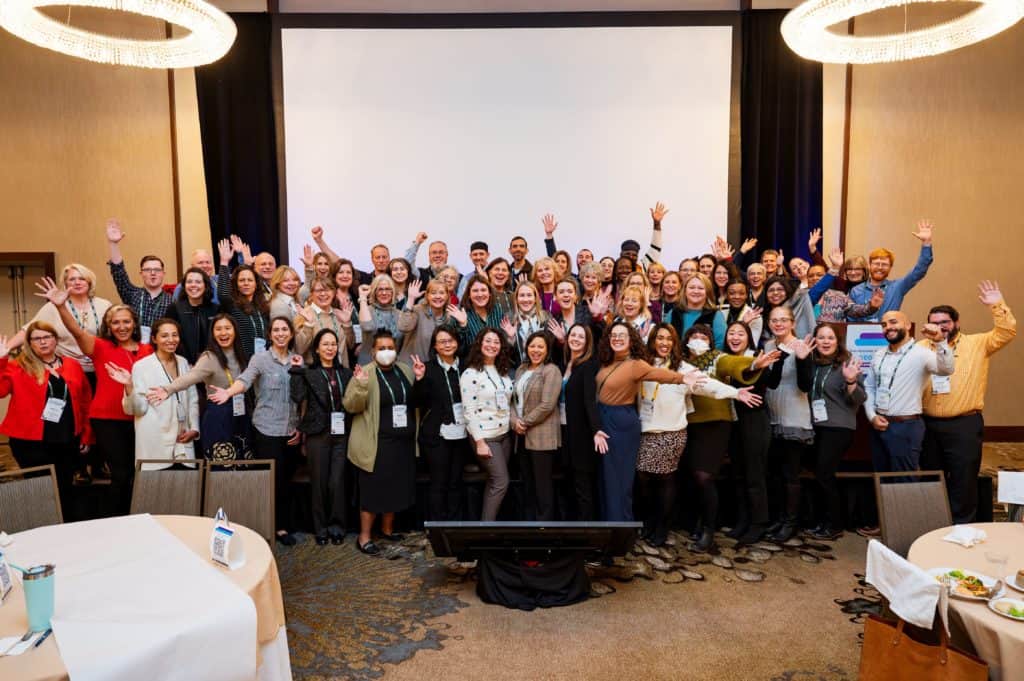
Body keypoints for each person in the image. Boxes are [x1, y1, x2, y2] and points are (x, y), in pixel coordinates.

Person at [37, 277, 154, 514]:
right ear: (108, 327)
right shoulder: (100, 347)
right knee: (120, 473)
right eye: (115, 323)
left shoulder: (147, 350)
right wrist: (60, 307)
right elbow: (76, 332)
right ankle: (115, 520)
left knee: (137, 472)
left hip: (140, 419)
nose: (121, 327)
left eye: (126, 322)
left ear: (134, 324)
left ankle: (137, 516)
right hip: (108, 420)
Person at [638, 323, 760, 546]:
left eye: (669, 339)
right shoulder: (642, 365)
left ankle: (662, 528)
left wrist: (735, 392)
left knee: (665, 479)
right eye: (660, 338)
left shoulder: (683, 367)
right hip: (645, 431)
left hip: (671, 432)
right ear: (652, 340)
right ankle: (650, 521)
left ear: (675, 344)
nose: (664, 343)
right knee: (645, 480)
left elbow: (709, 386)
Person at [921, 281, 1016, 524]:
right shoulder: (921, 347)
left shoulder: (978, 343)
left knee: (964, 480)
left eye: (945, 322)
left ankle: (962, 528)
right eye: (935, 322)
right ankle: (933, 526)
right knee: (931, 477)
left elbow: (1007, 332)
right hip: (928, 424)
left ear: (956, 323)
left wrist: (997, 304)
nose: (941, 327)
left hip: (964, 424)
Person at [207, 316, 302, 545]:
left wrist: (300, 427)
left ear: (290, 334)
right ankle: (273, 527)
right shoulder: (260, 359)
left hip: (290, 430)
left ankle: (283, 523)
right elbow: (245, 380)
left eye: (284, 330)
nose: (280, 334)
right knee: (271, 481)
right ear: (270, 334)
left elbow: (301, 398)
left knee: (287, 480)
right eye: (276, 330)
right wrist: (229, 392)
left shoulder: (297, 361)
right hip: (266, 430)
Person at [682, 324, 774, 551]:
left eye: (704, 337)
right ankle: (697, 521)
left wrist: (753, 364)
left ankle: (709, 530)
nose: (699, 340)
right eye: (694, 336)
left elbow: (733, 364)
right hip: (687, 424)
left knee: (705, 477)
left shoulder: (718, 358)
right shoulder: (681, 362)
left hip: (715, 425)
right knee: (692, 477)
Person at [594, 322, 688, 522]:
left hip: (621, 422)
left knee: (619, 478)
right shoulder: (606, 362)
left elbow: (660, 375)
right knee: (606, 478)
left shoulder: (636, 364)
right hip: (603, 419)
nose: (617, 338)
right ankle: (608, 524)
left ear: (631, 340)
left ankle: (620, 528)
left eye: (622, 335)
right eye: (613, 335)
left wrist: (684, 378)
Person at [0, 323, 92, 510]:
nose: (42, 342)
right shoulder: (18, 366)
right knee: (39, 488)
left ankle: (64, 527)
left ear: (56, 340)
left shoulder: (72, 365)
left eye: (47, 337)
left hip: (67, 438)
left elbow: (85, 401)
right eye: (36, 338)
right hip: (30, 441)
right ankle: (41, 526)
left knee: (65, 485)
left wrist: (86, 434)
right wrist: (1, 361)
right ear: (29, 343)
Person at [343, 330, 417, 555]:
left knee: (395, 487)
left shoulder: (405, 371)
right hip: (376, 443)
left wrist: (420, 379)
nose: (387, 352)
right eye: (381, 348)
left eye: (390, 348)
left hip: (402, 444)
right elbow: (351, 405)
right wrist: (361, 385)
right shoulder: (364, 372)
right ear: (373, 352)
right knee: (373, 491)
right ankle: (364, 537)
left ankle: (387, 529)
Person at [150, 314, 253, 461]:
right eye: (218, 329)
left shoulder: (241, 354)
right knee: (223, 463)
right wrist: (169, 389)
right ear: (213, 333)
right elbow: (191, 377)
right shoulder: (209, 357)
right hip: (219, 416)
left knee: (243, 461)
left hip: (240, 413)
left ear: (235, 331)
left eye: (227, 328)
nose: (223, 333)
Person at [864, 311, 953, 473]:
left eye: (893, 322)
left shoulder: (922, 353)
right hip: (879, 425)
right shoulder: (879, 355)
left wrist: (940, 342)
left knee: (904, 480)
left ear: (907, 325)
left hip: (906, 427)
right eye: (884, 325)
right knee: (880, 478)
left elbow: (946, 370)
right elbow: (869, 387)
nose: (888, 328)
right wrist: (871, 416)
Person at [108, 318, 200, 470]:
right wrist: (129, 386)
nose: (171, 340)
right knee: (155, 490)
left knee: (185, 490)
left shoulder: (183, 362)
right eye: (164, 336)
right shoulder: (142, 367)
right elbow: (137, 410)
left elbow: (192, 399)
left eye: (174, 335)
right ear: (154, 339)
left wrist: (194, 429)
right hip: (155, 442)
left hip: (182, 441)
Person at [290, 328, 353, 546]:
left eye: (333, 344)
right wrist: (296, 371)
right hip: (318, 433)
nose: (330, 348)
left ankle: (338, 526)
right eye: (325, 344)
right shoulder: (309, 372)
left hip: (342, 433)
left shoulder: (346, 373)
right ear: (317, 348)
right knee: (318, 482)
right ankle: (321, 528)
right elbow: (297, 397)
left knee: (337, 481)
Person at [722, 321, 782, 545]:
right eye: (731, 333)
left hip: (754, 422)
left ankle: (759, 523)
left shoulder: (756, 358)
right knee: (738, 474)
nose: (735, 337)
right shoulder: (725, 359)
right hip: (733, 423)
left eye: (740, 333)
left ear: (748, 337)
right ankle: (743, 520)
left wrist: (756, 366)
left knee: (755, 475)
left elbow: (764, 383)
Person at [807, 322, 865, 540]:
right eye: (821, 337)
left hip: (838, 428)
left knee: (824, 475)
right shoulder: (813, 364)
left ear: (837, 341)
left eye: (830, 338)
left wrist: (851, 381)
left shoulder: (847, 364)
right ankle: (822, 521)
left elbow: (860, 398)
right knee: (820, 476)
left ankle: (835, 525)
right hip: (816, 427)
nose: (825, 342)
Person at [762, 306, 815, 542]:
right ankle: (778, 519)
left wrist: (802, 360)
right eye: (774, 320)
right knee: (773, 474)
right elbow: (770, 383)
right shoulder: (767, 347)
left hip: (794, 417)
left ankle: (790, 522)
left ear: (792, 323)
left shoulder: (801, 346)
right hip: (772, 415)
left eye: (784, 320)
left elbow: (805, 386)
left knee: (790, 474)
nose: (779, 323)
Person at [9, 263, 112, 377]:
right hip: (68, 369)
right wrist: (5, 349)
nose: (77, 283)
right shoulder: (54, 307)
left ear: (89, 281)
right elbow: (28, 330)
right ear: (65, 284)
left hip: (100, 367)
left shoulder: (104, 305)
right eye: (72, 279)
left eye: (82, 278)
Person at [410, 327, 468, 521]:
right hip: (437, 435)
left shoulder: (467, 367)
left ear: (457, 342)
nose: (447, 344)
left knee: (456, 481)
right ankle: (437, 526)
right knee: (439, 482)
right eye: (442, 341)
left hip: (463, 433)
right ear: (435, 346)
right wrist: (419, 379)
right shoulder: (428, 367)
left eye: (450, 340)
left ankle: (455, 525)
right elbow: (416, 403)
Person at [460, 327, 516, 521]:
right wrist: (480, 442)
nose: (492, 345)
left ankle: (488, 524)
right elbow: (469, 411)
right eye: (488, 341)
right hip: (485, 438)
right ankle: (485, 529)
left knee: (494, 482)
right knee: (501, 482)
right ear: (479, 344)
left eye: (496, 342)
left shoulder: (503, 371)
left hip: (505, 436)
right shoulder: (470, 373)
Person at [512, 331, 562, 521]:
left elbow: (547, 404)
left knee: (543, 486)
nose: (536, 350)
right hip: (521, 435)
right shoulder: (521, 369)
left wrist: (523, 422)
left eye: (541, 346)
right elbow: (513, 400)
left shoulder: (551, 370)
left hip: (541, 436)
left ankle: (544, 525)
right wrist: (514, 421)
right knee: (528, 483)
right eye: (532, 346)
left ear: (547, 349)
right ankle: (529, 524)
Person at [561, 323, 606, 520]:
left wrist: (596, 429)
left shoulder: (589, 366)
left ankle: (589, 531)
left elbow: (590, 399)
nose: (576, 339)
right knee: (570, 483)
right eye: (573, 335)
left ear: (588, 342)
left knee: (583, 487)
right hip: (566, 432)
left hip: (582, 434)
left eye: (581, 337)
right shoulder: (566, 364)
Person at [848, 220, 935, 321]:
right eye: (876, 264)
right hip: (860, 334)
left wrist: (926, 243)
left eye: (884, 264)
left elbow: (919, 271)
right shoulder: (856, 290)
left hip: (888, 333)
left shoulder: (897, 287)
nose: (880, 267)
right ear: (869, 265)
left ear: (890, 267)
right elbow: (850, 317)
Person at [105, 219, 172, 341]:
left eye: (157, 270)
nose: (152, 273)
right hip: (133, 348)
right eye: (147, 270)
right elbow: (119, 273)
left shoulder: (172, 301)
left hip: (159, 350)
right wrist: (113, 244)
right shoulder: (132, 294)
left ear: (163, 274)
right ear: (141, 274)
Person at [216, 239, 270, 356]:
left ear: (256, 284)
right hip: (242, 359)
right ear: (236, 284)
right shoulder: (233, 304)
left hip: (263, 359)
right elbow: (223, 293)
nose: (246, 283)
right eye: (241, 280)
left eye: (250, 280)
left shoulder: (263, 305)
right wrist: (224, 262)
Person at [293, 277, 356, 363]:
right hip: (317, 373)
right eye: (318, 290)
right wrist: (308, 325)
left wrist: (347, 324)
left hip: (341, 372)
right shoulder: (304, 315)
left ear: (334, 293)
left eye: (327, 290)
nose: (323, 294)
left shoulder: (339, 314)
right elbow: (299, 349)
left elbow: (351, 345)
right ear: (311, 294)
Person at [165, 268, 219, 365]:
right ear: (184, 286)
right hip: (182, 365)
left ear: (205, 285)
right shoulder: (174, 309)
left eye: (198, 282)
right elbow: (168, 338)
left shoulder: (215, 309)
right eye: (189, 282)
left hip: (211, 365)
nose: (193, 285)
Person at [397, 279, 456, 363]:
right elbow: (403, 327)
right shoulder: (417, 310)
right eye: (433, 293)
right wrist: (410, 299)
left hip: (433, 369)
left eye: (442, 293)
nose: (438, 296)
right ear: (427, 296)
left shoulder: (449, 317)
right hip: (410, 366)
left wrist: (463, 324)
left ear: (447, 296)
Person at [356, 275, 404, 365]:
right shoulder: (367, 310)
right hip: (368, 364)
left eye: (388, 289)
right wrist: (362, 298)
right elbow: (367, 327)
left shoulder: (400, 314)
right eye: (380, 289)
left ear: (393, 292)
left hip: (393, 364)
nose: (384, 293)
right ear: (374, 292)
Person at [450, 275, 505, 348]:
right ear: (469, 294)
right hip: (471, 358)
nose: (480, 294)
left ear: (490, 293)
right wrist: (463, 325)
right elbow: (459, 348)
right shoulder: (459, 314)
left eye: (483, 290)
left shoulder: (497, 310)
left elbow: (503, 341)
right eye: (475, 291)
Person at [674, 274, 726, 348]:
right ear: (685, 290)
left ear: (707, 292)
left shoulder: (716, 315)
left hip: (707, 359)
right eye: (691, 288)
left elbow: (720, 344)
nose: (696, 291)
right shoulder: (674, 313)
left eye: (701, 288)